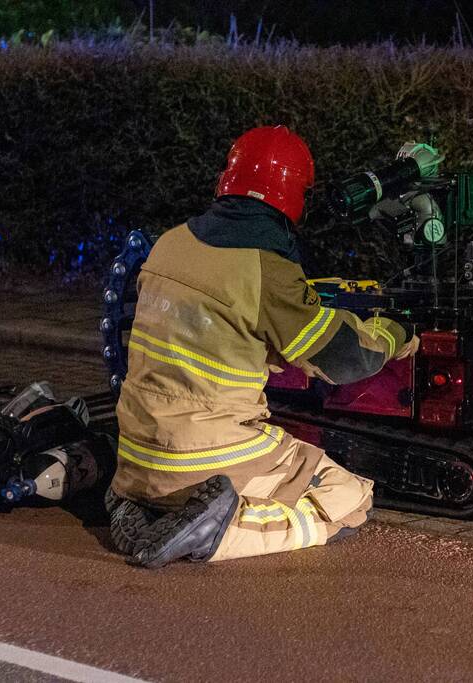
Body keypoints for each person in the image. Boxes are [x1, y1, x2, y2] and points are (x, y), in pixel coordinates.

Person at [106, 125, 424, 568]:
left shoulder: (170, 243)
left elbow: (209, 328)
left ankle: (140, 505)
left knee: (227, 453)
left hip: (137, 450)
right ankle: (219, 532)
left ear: (227, 179)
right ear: (292, 195)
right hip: (206, 453)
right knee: (349, 496)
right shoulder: (265, 269)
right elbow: (348, 359)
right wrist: (395, 333)